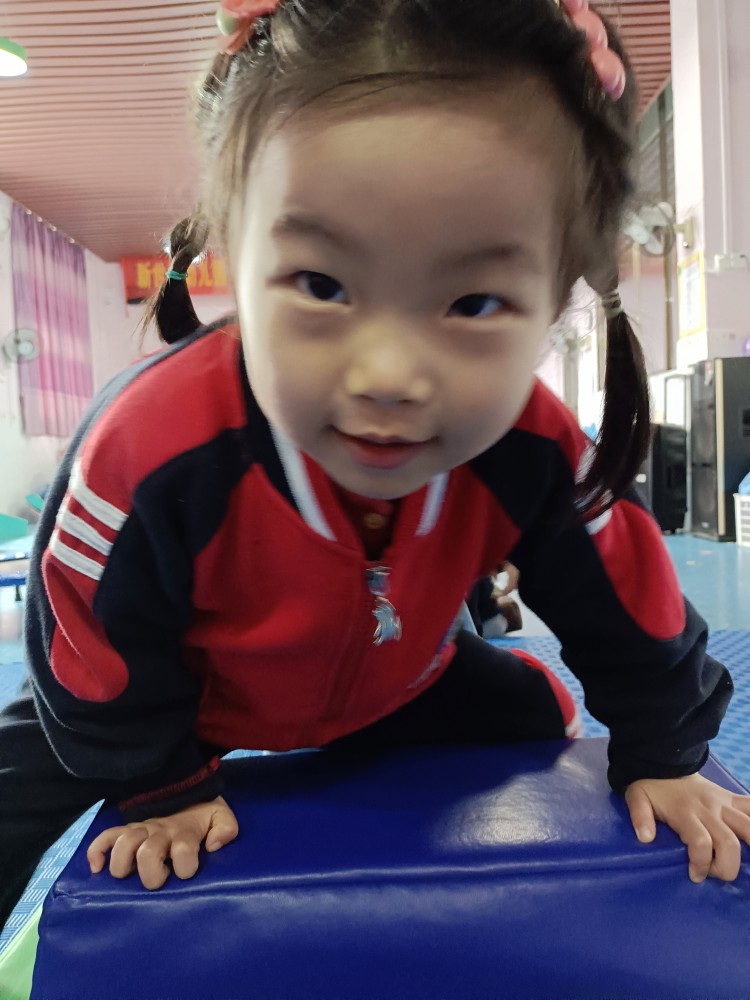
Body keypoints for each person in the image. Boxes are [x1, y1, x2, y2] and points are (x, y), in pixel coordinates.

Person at [1, 0, 748, 928]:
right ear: (234, 249)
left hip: (393, 678)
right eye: (321, 286)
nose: (388, 375)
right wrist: (160, 786)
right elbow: (88, 632)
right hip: (163, 701)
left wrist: (665, 754)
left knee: (522, 718)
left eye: (474, 303)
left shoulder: (530, 446)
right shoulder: (153, 445)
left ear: (560, 292)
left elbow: (627, 599)